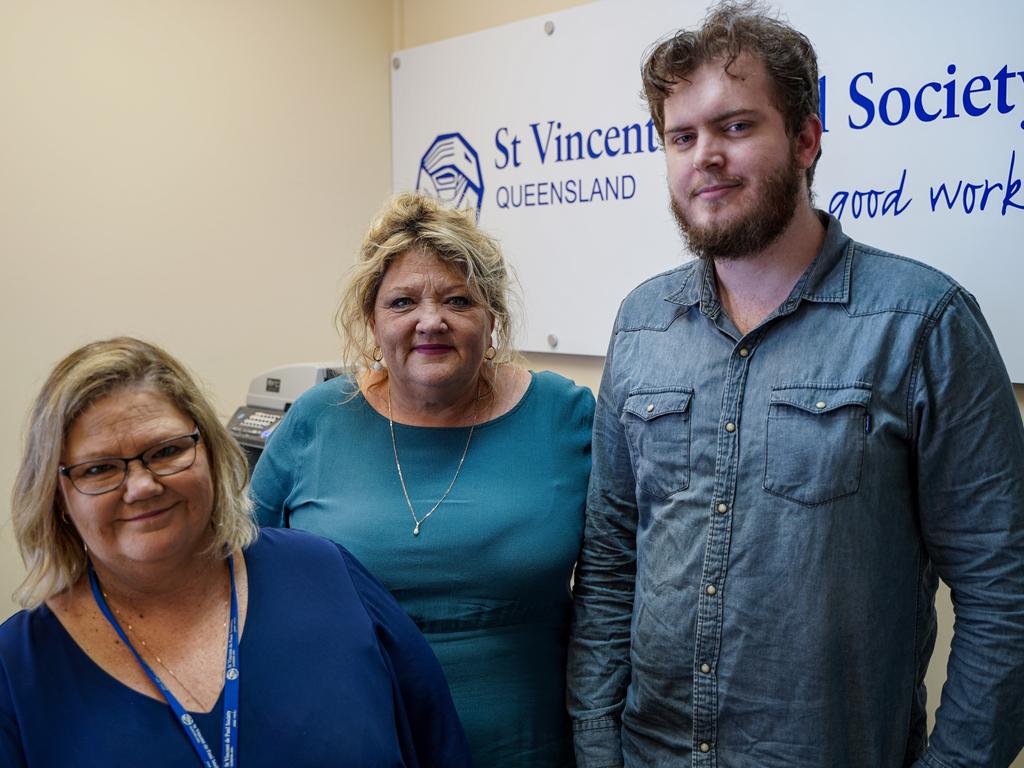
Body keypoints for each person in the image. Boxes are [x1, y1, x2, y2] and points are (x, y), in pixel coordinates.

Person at [567, 2, 1024, 767]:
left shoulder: (921, 322)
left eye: (736, 127)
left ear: (806, 139)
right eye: (683, 136)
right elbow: (611, 568)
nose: (704, 156)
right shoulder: (642, 323)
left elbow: (1005, 594)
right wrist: (595, 747)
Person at [1, 337, 471, 768]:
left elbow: (439, 746)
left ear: (211, 449)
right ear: (57, 496)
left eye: (165, 451)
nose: (142, 486)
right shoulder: (18, 670)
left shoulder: (326, 575)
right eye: (100, 468)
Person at [252, 192, 595, 767]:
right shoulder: (316, 420)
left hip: (531, 748)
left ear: (491, 319)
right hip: (355, 744)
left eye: (457, 300)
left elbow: (622, 585)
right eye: (402, 301)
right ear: (372, 320)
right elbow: (236, 572)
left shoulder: (565, 415)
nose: (430, 321)